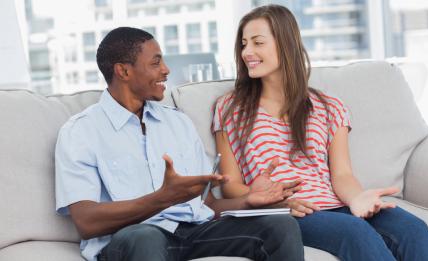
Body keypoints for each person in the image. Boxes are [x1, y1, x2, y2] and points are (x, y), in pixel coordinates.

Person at [55, 26, 304, 261]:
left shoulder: (177, 123)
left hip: (192, 233)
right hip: (133, 239)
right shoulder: (81, 131)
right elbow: (86, 222)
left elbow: (209, 207)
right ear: (124, 71)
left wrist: (249, 200)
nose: (166, 70)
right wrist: (163, 199)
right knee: (145, 237)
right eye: (155, 62)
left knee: (279, 225)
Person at [212, 5, 428, 261]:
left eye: (258, 43)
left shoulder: (329, 106)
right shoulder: (230, 108)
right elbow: (230, 187)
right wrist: (267, 200)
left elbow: (342, 174)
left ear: (286, 44)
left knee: (413, 229)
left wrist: (358, 199)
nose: (247, 52)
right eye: (244, 44)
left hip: (336, 204)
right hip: (288, 212)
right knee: (355, 232)